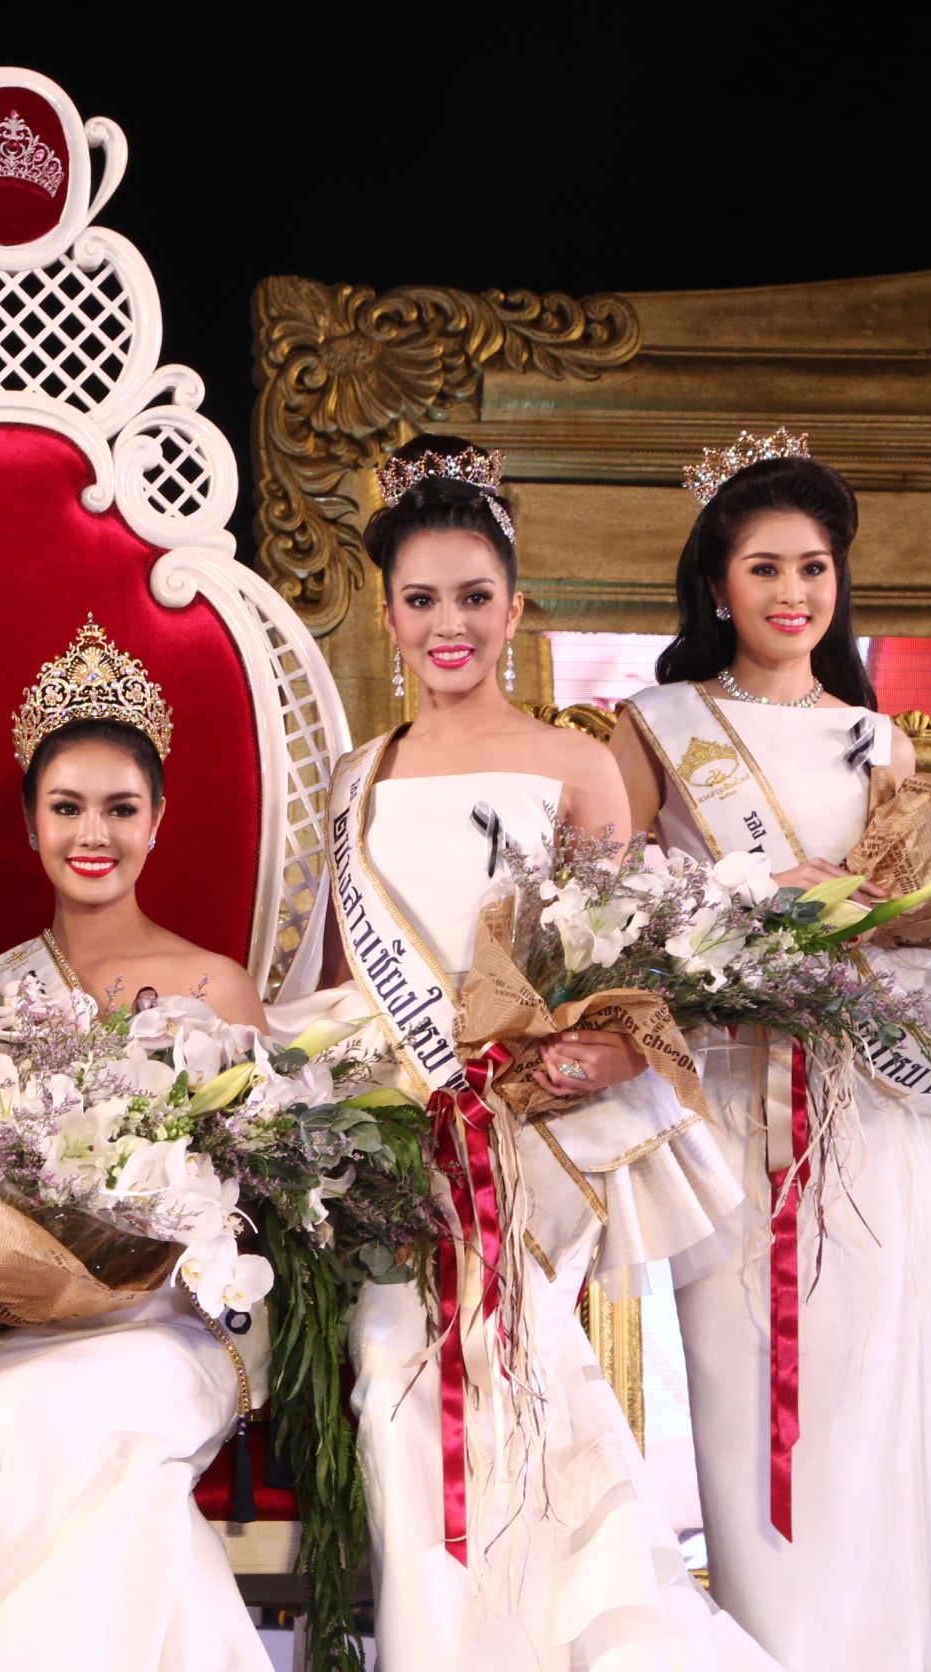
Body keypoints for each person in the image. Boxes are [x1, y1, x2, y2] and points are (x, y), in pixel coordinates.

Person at [610, 431, 931, 1672]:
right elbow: (616, 921)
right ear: (715, 583)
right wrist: (755, 910)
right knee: (745, 1412)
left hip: (873, 1117)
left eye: (813, 566)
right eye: (763, 565)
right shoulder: (657, 728)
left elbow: (910, 950)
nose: (791, 593)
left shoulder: (880, 745)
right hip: (732, 1116)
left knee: (881, 1403)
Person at [322, 437, 773, 1670]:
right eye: (422, 599)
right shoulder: (355, 780)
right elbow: (337, 989)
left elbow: (640, 983)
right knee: (390, 1372)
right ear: (391, 612)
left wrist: (588, 1063)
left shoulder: (578, 767)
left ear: (517, 606)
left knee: (511, 1368)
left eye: (474, 596)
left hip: (532, 1139)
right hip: (394, 1142)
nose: (448, 623)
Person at [0, 621, 270, 1672]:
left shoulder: (217, 987)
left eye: (120, 807)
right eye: (67, 808)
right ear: (31, 826)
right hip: (27, 1330)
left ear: (158, 819)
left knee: (83, 1418)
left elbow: (251, 1200)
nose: (93, 832)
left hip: (182, 1323)